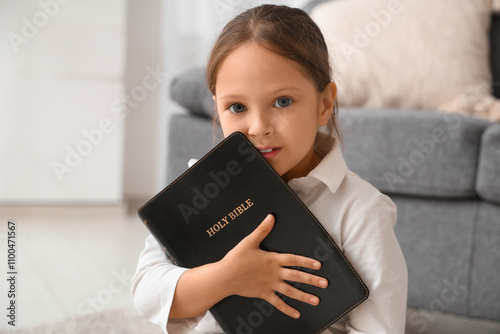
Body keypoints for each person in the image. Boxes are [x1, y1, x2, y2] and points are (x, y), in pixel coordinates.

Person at [131, 4, 407, 334]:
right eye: (237, 107)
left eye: (282, 102)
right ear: (217, 111)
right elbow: (147, 293)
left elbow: (380, 328)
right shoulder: (198, 193)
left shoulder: (361, 210)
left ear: (324, 105)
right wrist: (226, 278)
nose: (259, 127)